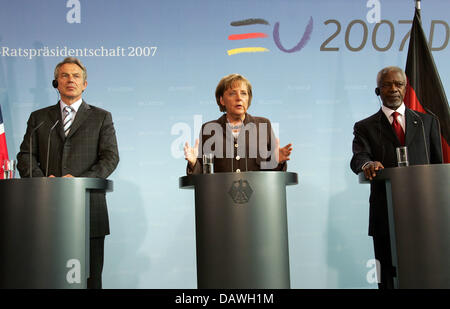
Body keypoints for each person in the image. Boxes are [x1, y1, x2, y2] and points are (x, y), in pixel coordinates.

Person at [16, 57, 119, 289]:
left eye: (76, 76)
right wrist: (43, 181)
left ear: (85, 84)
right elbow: (25, 156)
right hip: (47, 209)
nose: (70, 79)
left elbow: (110, 157)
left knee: (90, 279)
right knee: (48, 278)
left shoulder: (101, 117)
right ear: (56, 82)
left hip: (89, 208)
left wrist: (81, 182)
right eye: (64, 75)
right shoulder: (39, 118)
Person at [350, 66, 442, 289]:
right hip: (385, 214)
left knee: (429, 275)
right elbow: (358, 158)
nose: (393, 89)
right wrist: (367, 164)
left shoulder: (427, 122)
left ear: (405, 88)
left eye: (398, 84)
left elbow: (438, 166)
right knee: (387, 279)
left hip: (425, 215)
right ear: (377, 90)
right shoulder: (365, 126)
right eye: (387, 85)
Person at [184, 73, 292, 174]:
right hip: (220, 194)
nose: (239, 98)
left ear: (248, 99)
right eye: (232, 93)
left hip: (258, 194)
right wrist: (193, 162)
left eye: (244, 93)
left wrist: (277, 161)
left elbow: (273, 176)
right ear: (222, 100)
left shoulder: (263, 125)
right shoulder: (208, 129)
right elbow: (201, 176)